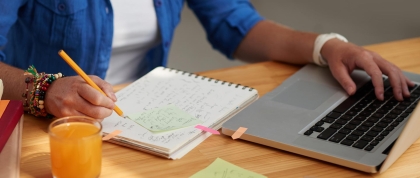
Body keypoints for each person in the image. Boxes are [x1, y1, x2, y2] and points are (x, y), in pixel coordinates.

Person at [0, 0, 413, 119]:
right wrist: (44, 89)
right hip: (46, 123)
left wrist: (326, 46)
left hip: (138, 119)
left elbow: (235, 22)